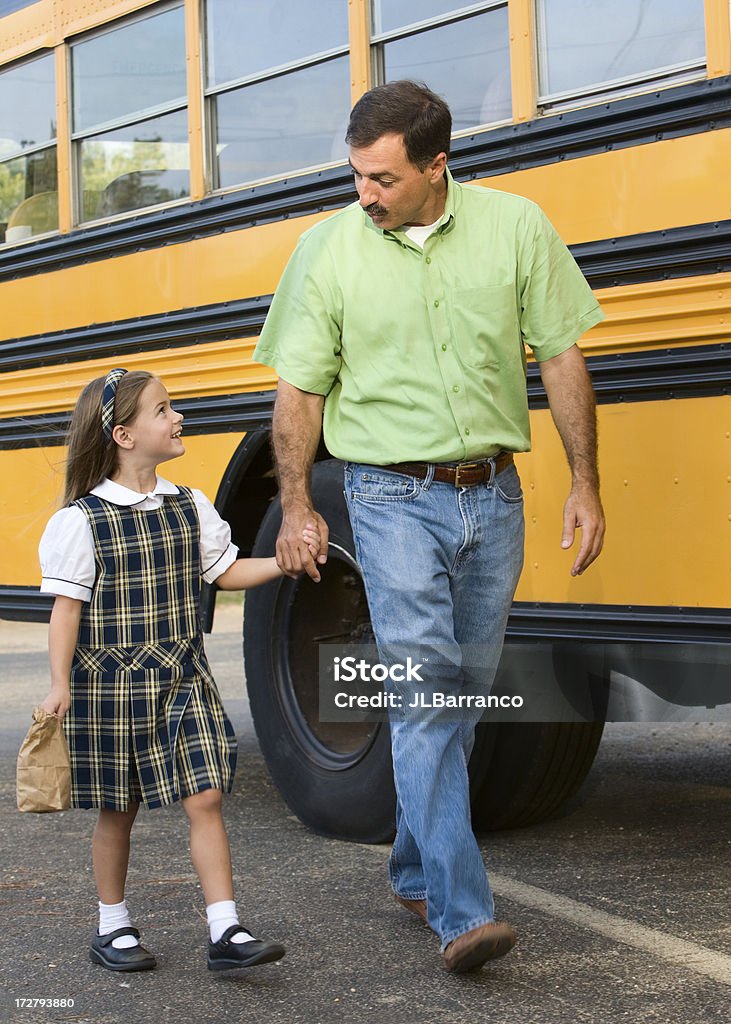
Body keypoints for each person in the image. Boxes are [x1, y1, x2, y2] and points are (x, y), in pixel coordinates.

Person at [254, 80, 606, 973]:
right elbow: (296, 390)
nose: (364, 194)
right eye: (356, 176)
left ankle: (411, 867)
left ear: (437, 165)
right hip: (387, 497)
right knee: (426, 699)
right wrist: (296, 506)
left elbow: (561, 352)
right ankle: (459, 912)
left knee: (458, 704)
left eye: (381, 178)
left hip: (493, 495)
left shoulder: (515, 226)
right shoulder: (326, 250)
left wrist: (584, 484)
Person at [38, 368, 319, 973]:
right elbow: (66, 611)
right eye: (163, 410)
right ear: (124, 435)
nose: (178, 417)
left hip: (181, 677)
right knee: (120, 808)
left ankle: (226, 929)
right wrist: (60, 684)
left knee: (206, 794)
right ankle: (112, 926)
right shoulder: (81, 522)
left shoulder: (188, 505)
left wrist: (283, 562)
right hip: (111, 685)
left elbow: (226, 572)